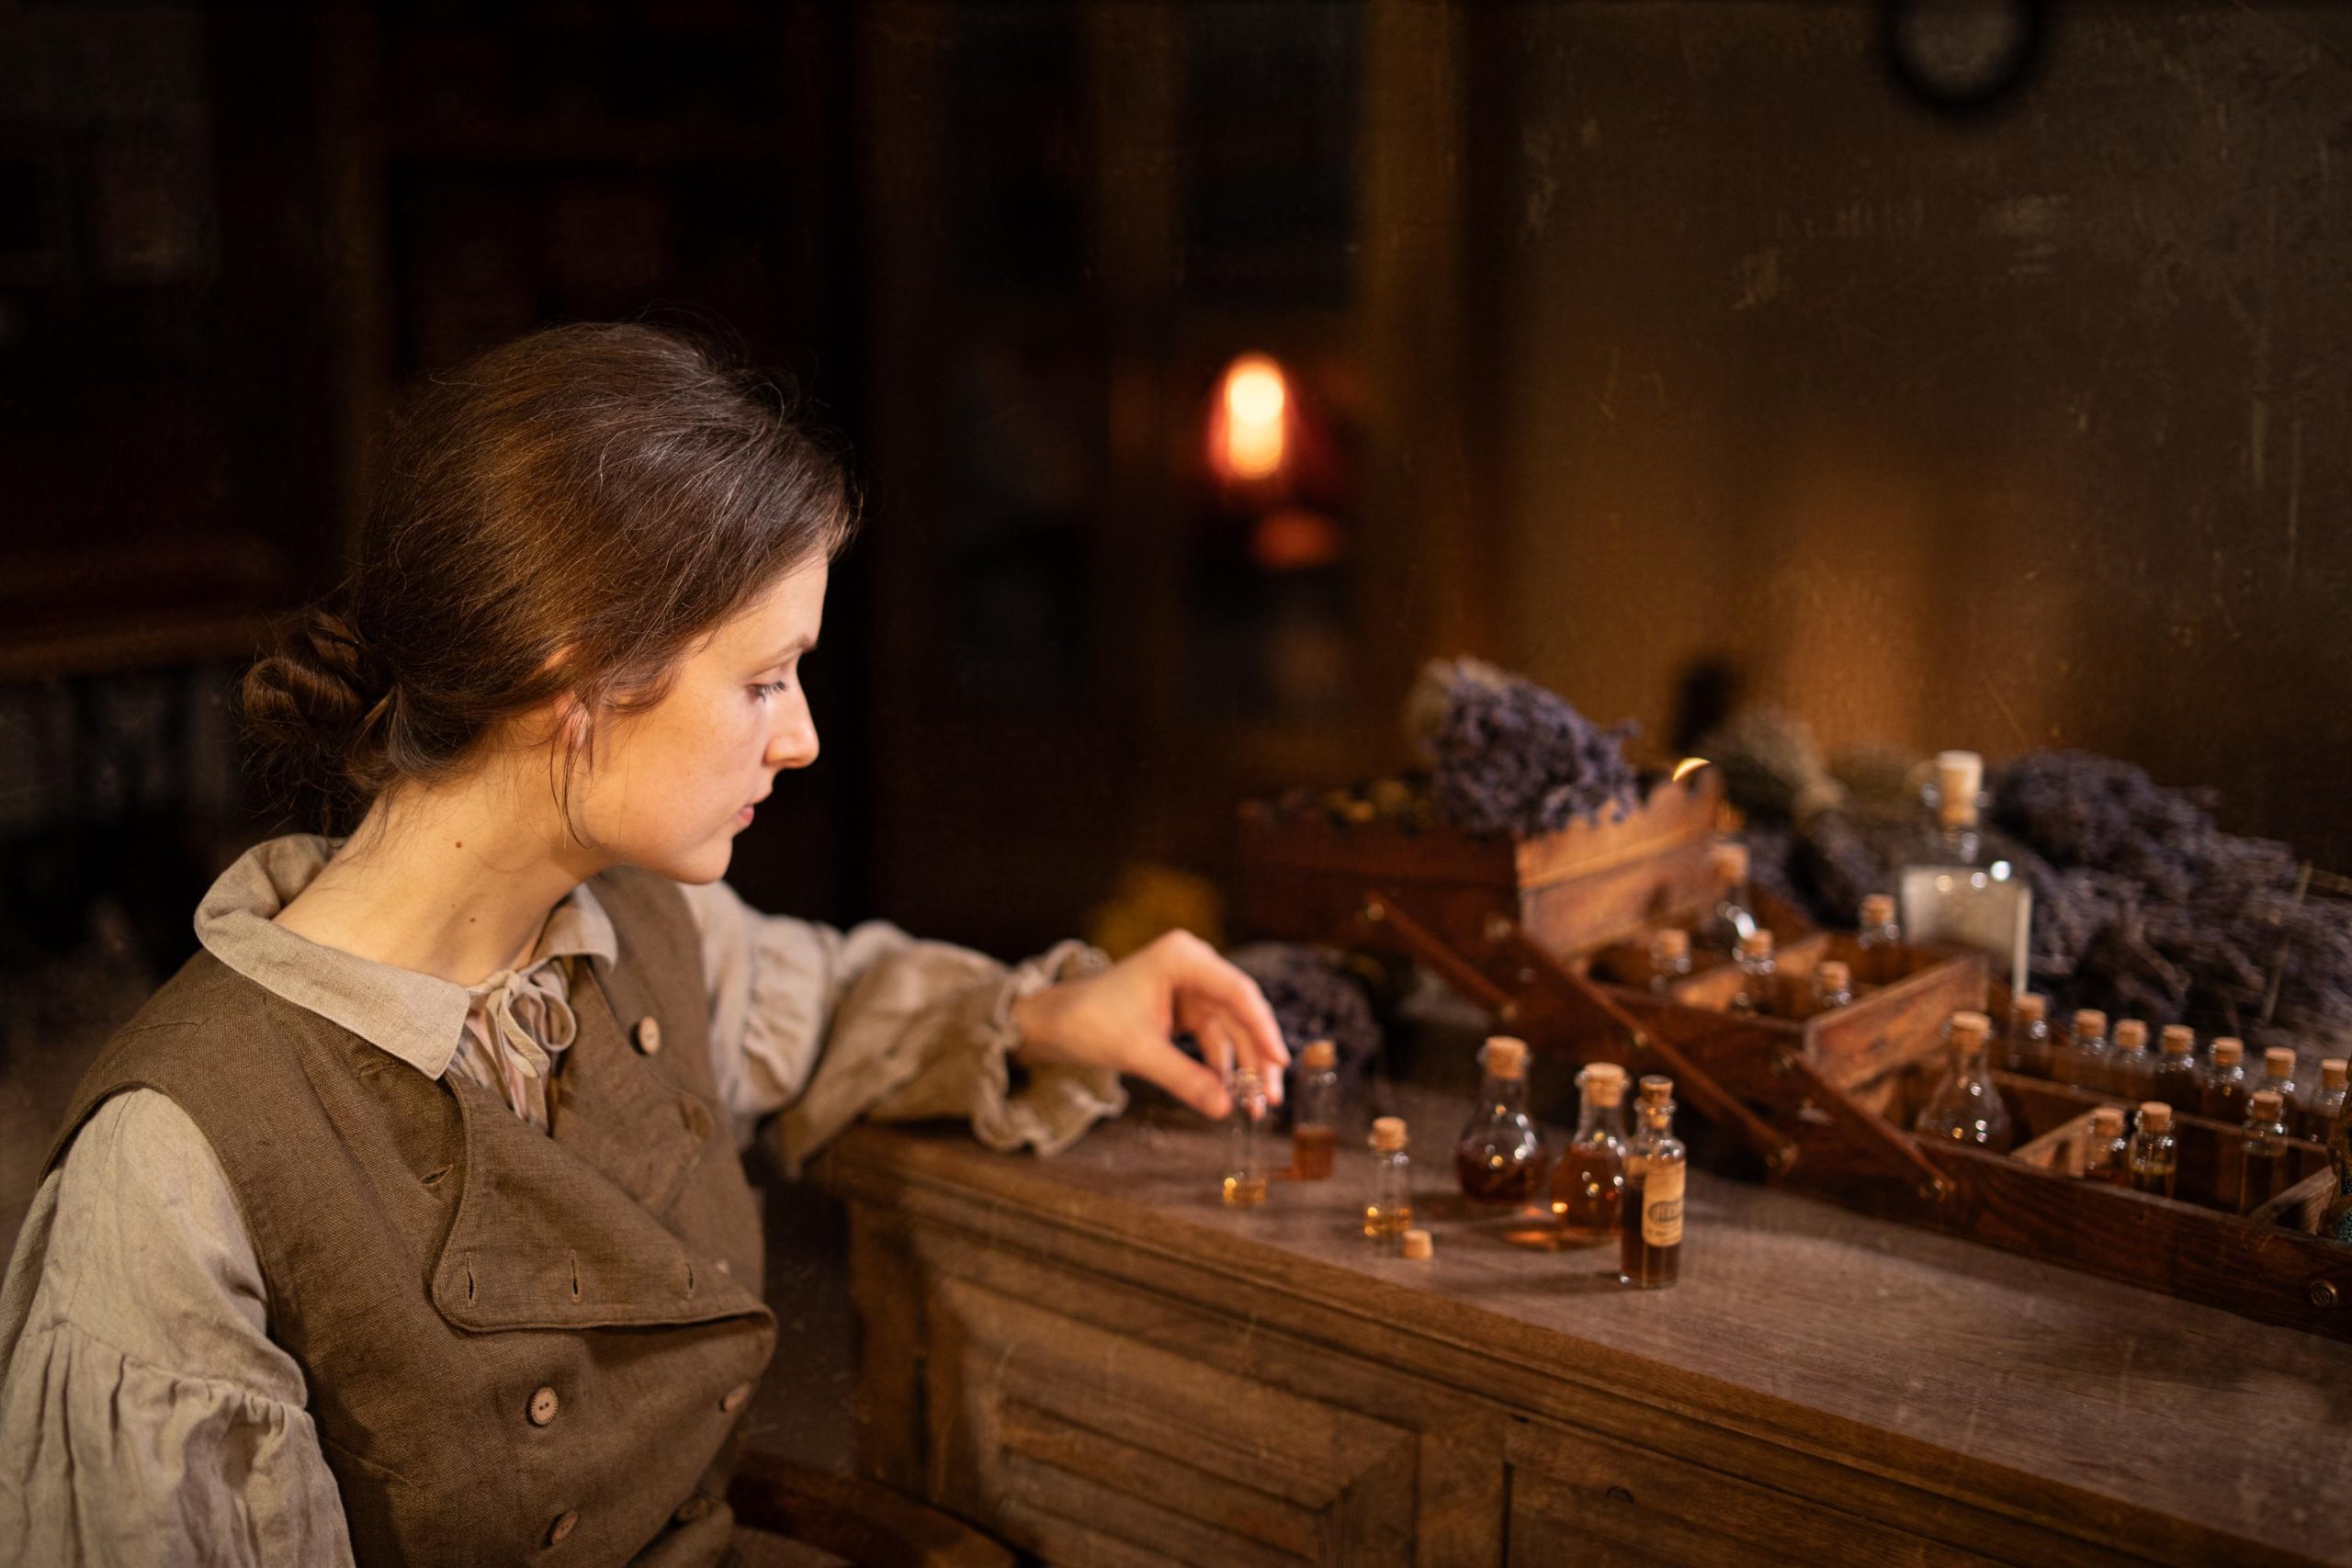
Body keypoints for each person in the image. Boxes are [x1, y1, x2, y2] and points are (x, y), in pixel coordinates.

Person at [0, 322, 1289, 1565]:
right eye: (763, 680)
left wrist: (1049, 1017)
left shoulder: (637, 932)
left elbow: (820, 1000)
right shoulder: (171, 1177)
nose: (800, 739)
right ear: (583, 672)